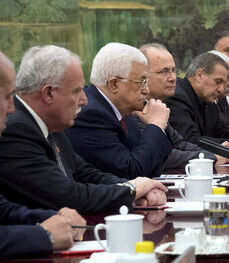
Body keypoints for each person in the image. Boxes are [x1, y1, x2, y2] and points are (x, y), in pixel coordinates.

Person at [0, 46, 167, 213]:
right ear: (48, 93)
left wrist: (137, 188)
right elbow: (68, 196)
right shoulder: (16, 130)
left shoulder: (52, 125)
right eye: (77, 91)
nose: (84, 100)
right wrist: (131, 190)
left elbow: (88, 174)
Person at [0, 50, 85, 258]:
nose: (12, 109)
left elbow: (3, 210)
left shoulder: (54, 127)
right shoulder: (18, 128)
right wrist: (44, 235)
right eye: (7, 97)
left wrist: (55, 218)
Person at [67, 43, 173, 178]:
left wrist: (158, 127)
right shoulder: (91, 114)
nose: (146, 90)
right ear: (114, 84)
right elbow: (131, 173)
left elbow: (152, 168)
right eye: (141, 82)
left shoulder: (122, 110)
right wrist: (156, 126)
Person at [139, 43, 229, 170]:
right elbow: (160, 156)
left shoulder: (155, 105)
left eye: (173, 71)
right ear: (142, 76)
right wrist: (211, 157)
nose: (173, 78)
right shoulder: (134, 109)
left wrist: (220, 151)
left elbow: (180, 144)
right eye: (164, 71)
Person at [166, 52, 229, 150]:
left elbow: (220, 131)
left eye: (224, 83)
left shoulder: (207, 98)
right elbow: (189, 141)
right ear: (199, 75)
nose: (221, 89)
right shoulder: (176, 97)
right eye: (218, 82)